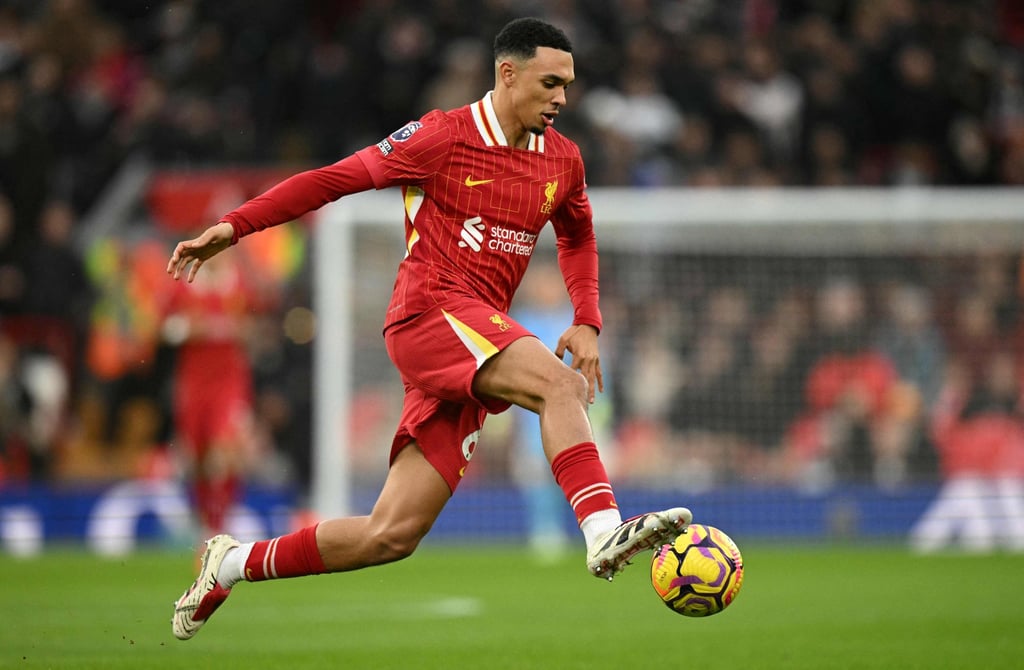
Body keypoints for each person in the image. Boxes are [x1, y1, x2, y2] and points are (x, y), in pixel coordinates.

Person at [168, 17, 691, 641]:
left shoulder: (563, 160)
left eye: (568, 86)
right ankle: (604, 531)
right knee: (562, 386)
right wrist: (235, 227)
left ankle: (229, 563)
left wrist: (587, 319)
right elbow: (333, 180)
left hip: (472, 342)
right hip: (428, 312)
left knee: (389, 535)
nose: (561, 98)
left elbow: (577, 233)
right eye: (550, 83)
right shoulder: (442, 136)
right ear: (508, 73)